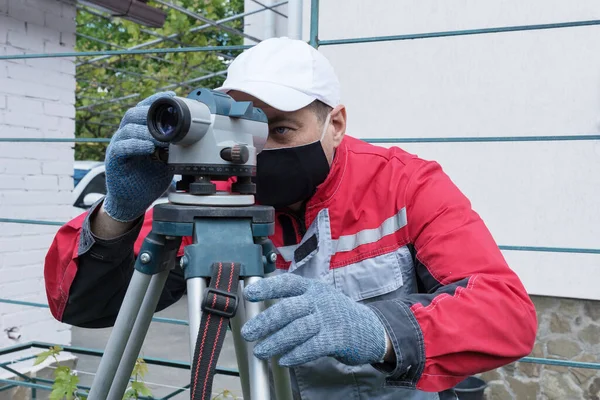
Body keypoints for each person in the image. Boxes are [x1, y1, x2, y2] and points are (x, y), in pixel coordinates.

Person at [44, 37, 537, 399]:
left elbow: (507, 314)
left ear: (335, 124)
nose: (259, 153)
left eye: (280, 129)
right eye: (247, 129)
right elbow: (85, 309)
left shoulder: (405, 184)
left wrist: (379, 330)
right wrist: (119, 213)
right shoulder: (214, 200)